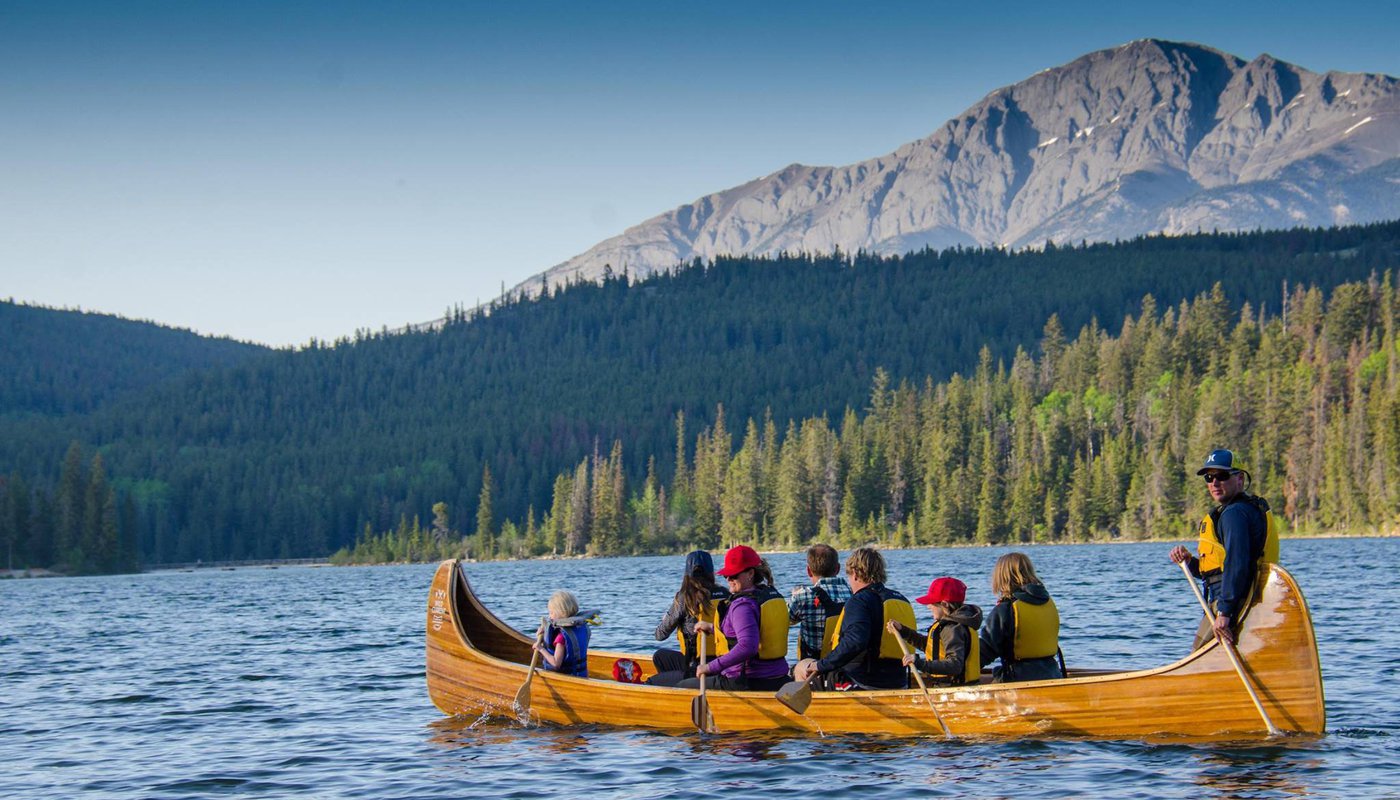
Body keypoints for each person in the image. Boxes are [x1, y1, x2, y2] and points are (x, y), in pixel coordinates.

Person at [1170, 448, 1280, 650]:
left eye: (1222, 476)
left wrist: (1224, 613)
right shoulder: (1241, 510)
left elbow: (1237, 563)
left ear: (1239, 479)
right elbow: (1217, 571)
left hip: (1230, 603)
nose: (1214, 483)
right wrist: (1190, 562)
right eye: (1209, 478)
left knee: (1197, 658)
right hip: (1239, 599)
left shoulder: (1235, 514)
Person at [792, 546, 915, 690]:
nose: (850, 582)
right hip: (899, 681)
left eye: (849, 576)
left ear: (855, 574)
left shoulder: (859, 600)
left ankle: (815, 712)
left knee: (801, 667)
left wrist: (820, 665)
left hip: (862, 682)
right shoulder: (901, 599)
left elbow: (855, 641)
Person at [678, 545, 790, 692]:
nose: (729, 579)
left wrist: (710, 667)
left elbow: (747, 646)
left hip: (747, 681)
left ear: (750, 573)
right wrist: (712, 628)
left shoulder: (742, 605)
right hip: (778, 678)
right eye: (726, 575)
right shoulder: (771, 595)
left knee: (680, 687)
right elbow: (752, 631)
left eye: (734, 575)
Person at [646, 550, 731, 686]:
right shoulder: (725, 594)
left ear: (687, 573)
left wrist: (667, 619)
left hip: (698, 668)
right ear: (711, 572)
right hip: (723, 663)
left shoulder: (685, 598)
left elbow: (660, 635)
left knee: (651, 681)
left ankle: (680, 689)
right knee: (660, 656)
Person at [979, 552, 1063, 683]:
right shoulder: (1048, 602)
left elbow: (986, 650)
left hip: (1018, 678)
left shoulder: (1006, 609)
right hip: (1053, 674)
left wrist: (962, 669)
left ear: (1001, 577)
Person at [888, 576, 984, 686]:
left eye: (931, 602)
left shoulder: (952, 628)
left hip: (953, 689)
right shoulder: (954, 624)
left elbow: (955, 665)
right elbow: (932, 647)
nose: (928, 606)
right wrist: (902, 631)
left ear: (944, 604)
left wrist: (920, 664)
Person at [789, 543, 851, 661]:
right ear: (837, 568)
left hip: (814, 664)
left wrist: (795, 596)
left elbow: (786, 620)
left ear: (809, 571)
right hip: (844, 660)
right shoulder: (854, 593)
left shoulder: (802, 596)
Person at [535, 590, 595, 678]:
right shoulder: (581, 627)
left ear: (561, 613)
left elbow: (556, 663)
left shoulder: (561, 637)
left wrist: (540, 648)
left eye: (551, 613)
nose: (549, 616)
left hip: (568, 677)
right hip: (582, 675)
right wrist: (543, 634)